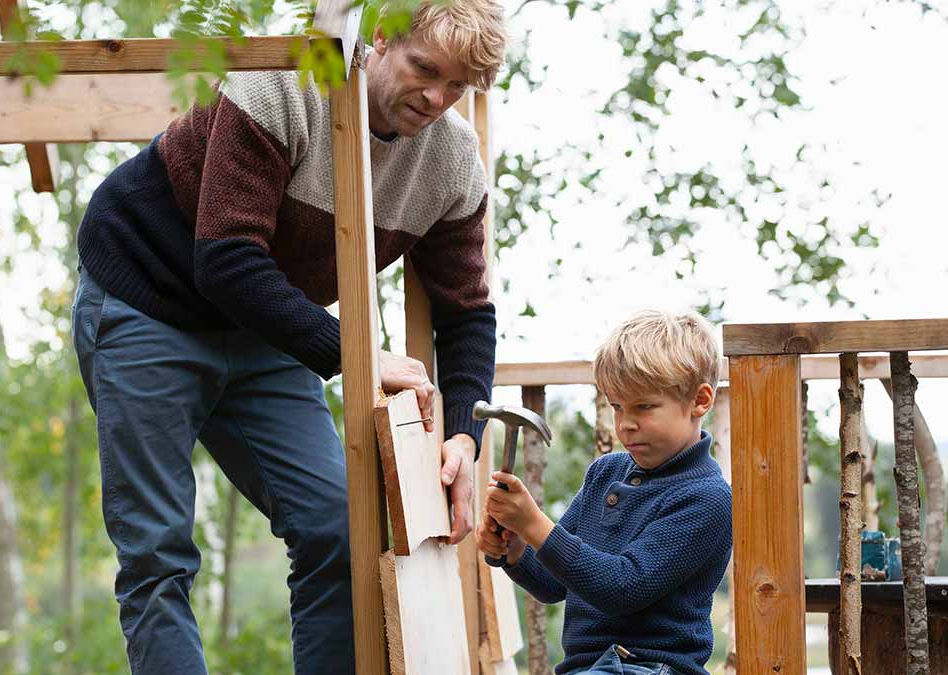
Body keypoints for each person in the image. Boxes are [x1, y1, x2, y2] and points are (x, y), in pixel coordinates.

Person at [70, 1, 508, 672]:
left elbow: (466, 312)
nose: (436, 97)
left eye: (457, 86)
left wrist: (463, 435)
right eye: (425, 70)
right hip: (147, 299)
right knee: (157, 551)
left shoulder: (451, 163)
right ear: (381, 37)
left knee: (338, 528)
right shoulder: (280, 83)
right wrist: (360, 357)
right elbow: (227, 261)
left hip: (266, 326)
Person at [479, 310, 732, 675]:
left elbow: (623, 587)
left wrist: (533, 523)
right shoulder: (605, 473)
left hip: (648, 666)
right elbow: (552, 585)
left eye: (644, 407)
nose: (625, 424)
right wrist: (516, 548)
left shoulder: (706, 498)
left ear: (700, 401)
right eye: (617, 407)